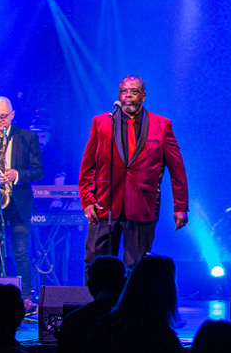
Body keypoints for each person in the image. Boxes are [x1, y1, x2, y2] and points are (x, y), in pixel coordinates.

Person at [78, 75, 189, 266]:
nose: (128, 95)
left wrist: (181, 206)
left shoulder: (161, 125)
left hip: (142, 204)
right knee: (97, 263)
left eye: (134, 91)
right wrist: (87, 200)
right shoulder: (102, 122)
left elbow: (177, 169)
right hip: (105, 204)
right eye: (124, 91)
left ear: (143, 96)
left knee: (137, 266)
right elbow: (88, 167)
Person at [0, 96, 44, 306]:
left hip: (19, 203)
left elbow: (39, 171)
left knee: (20, 251)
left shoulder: (27, 137)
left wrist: (17, 174)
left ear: (12, 115)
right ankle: (0, 300)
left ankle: (25, 298)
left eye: (3, 116)